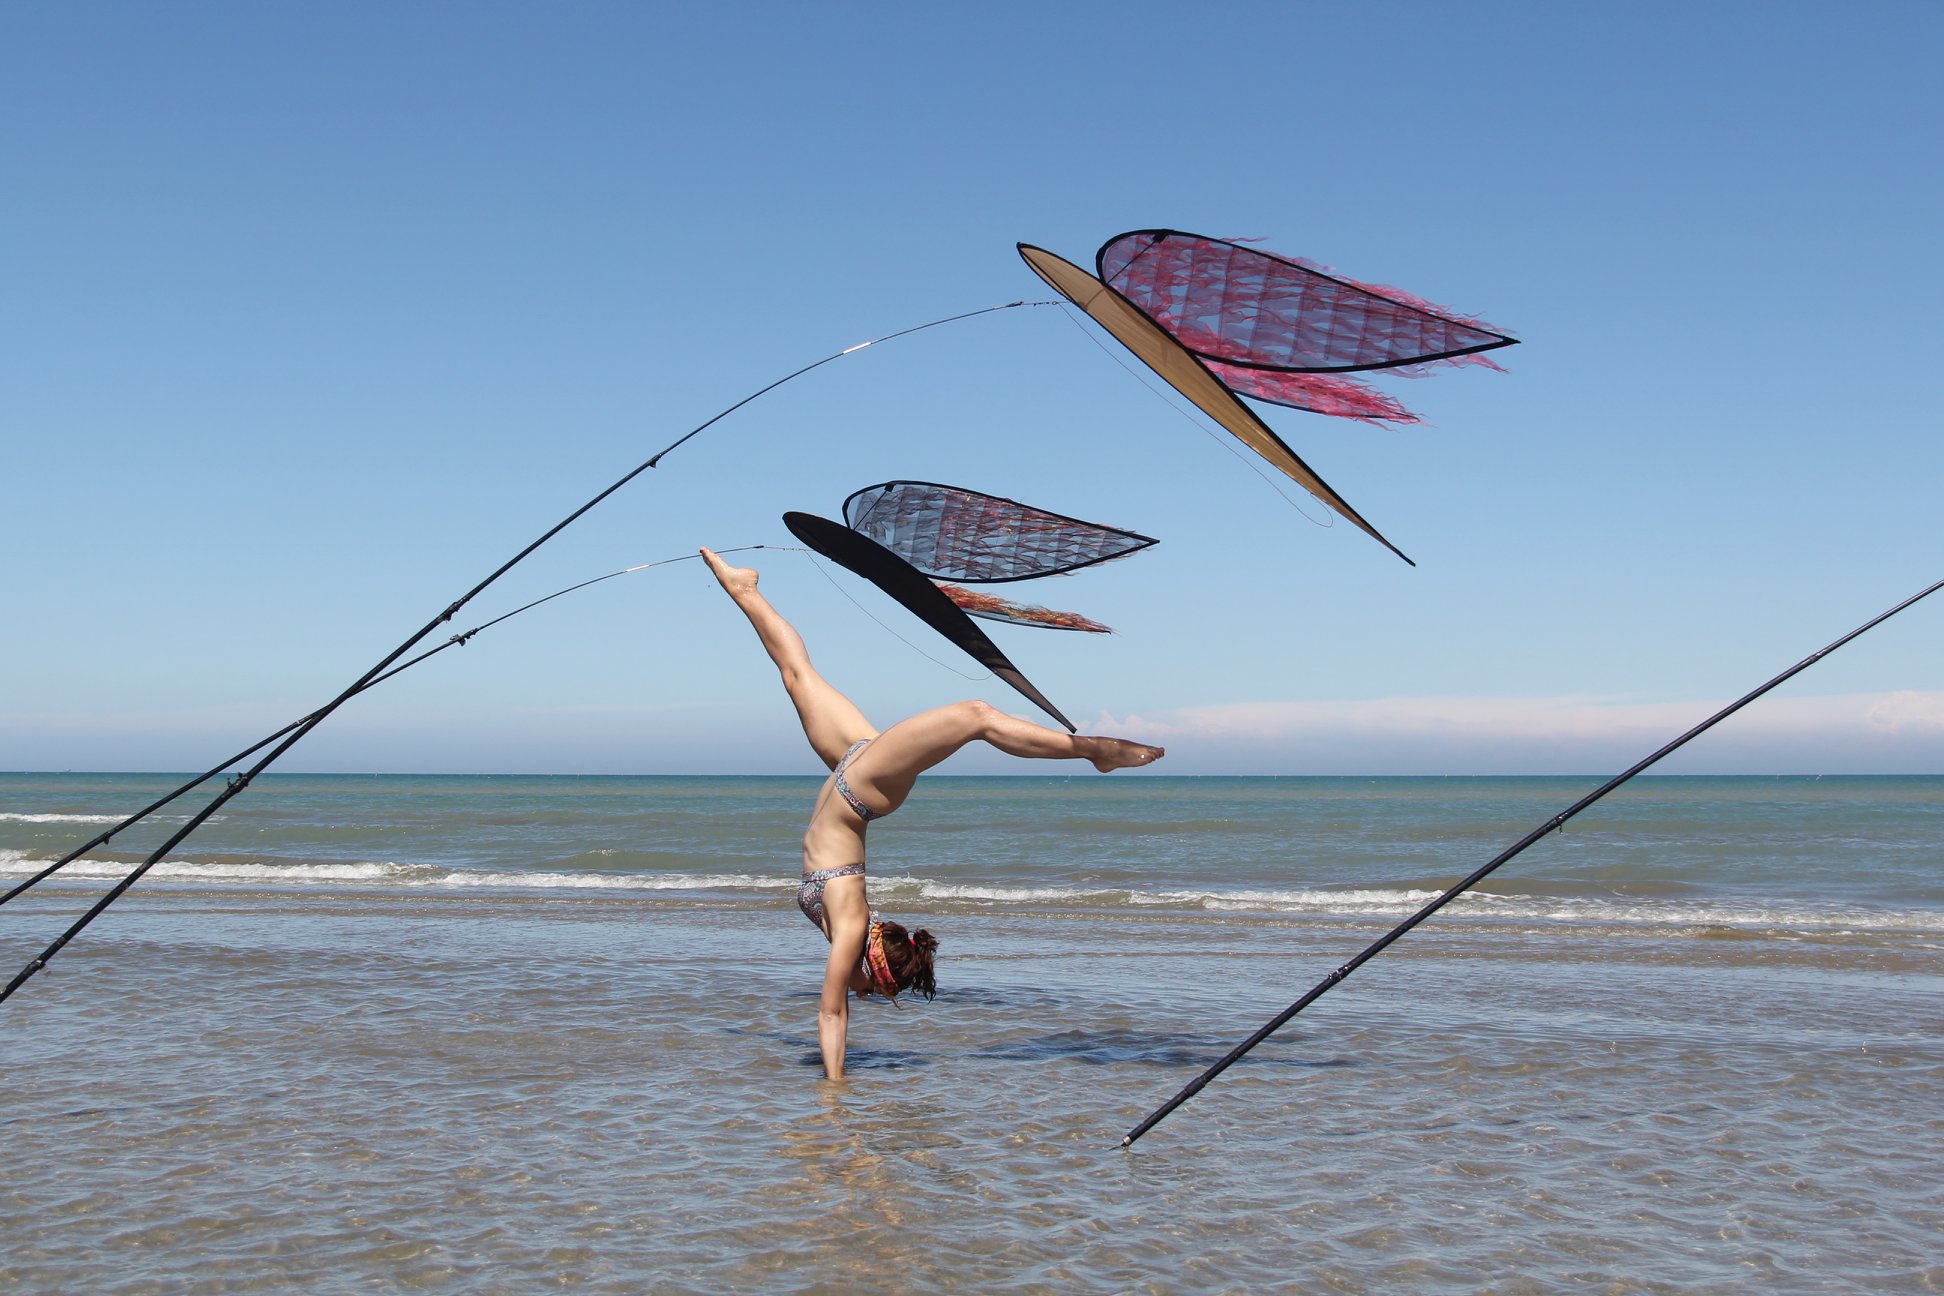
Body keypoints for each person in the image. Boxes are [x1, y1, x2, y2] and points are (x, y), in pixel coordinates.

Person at [701, 548, 1164, 1079]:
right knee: (976, 715)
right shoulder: (851, 930)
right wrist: (836, 1092)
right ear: (874, 967)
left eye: (874, 994)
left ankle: (744, 589)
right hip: (862, 788)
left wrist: (835, 1082)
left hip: (850, 770)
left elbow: (831, 1007)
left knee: (796, 674)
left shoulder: (849, 935)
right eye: (877, 990)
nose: (865, 995)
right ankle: (1094, 751)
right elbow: (833, 1012)